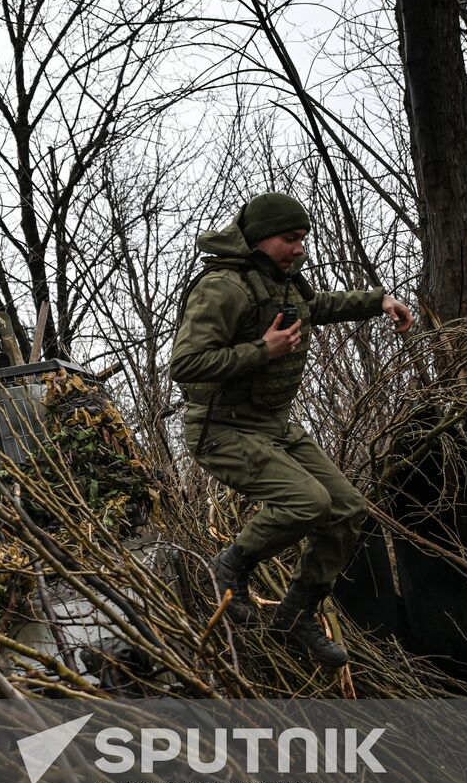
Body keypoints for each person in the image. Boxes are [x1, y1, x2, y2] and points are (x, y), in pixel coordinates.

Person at [169, 192, 413, 668]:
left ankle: (295, 615)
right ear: (259, 239)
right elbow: (186, 363)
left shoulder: (280, 283)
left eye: (303, 238)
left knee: (346, 509)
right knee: (308, 501)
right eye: (290, 238)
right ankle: (231, 565)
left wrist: (379, 300)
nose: (300, 248)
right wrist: (264, 350)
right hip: (221, 429)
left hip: (274, 426)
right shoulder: (224, 287)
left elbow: (317, 305)